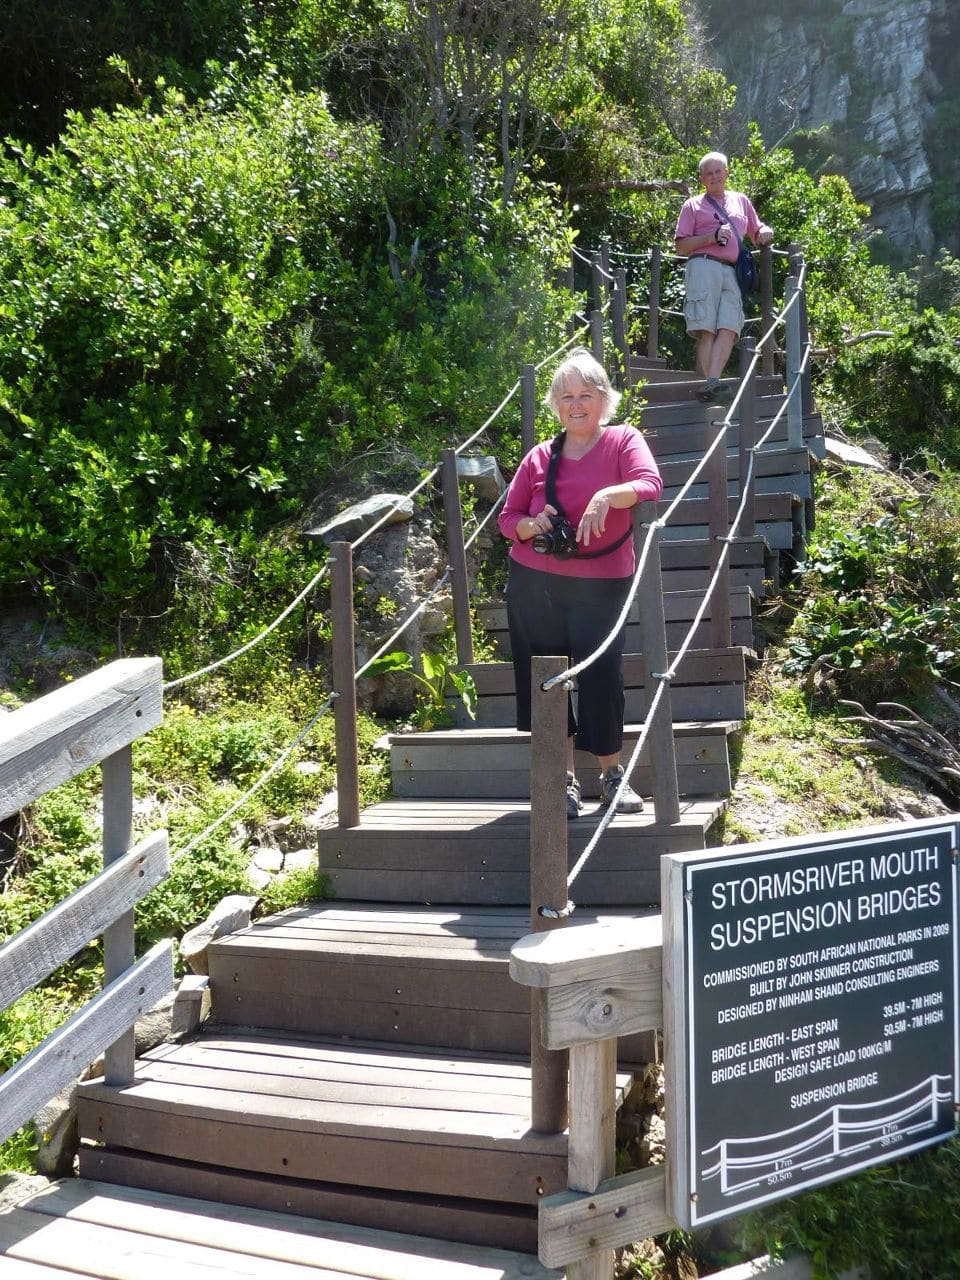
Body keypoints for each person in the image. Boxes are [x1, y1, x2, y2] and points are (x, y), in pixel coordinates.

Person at [498, 348, 663, 819]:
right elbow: (508, 520)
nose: (576, 404)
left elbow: (650, 484)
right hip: (535, 582)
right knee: (546, 682)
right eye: (566, 396)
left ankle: (612, 775)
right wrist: (533, 525)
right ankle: (562, 781)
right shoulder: (539, 457)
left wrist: (607, 496)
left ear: (604, 399)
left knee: (602, 674)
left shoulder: (623, 440)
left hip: (602, 582)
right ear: (555, 404)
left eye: (586, 395)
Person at [674, 151, 773, 404]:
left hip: (732, 270)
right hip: (703, 266)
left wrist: (764, 231)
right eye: (709, 173)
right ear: (702, 179)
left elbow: (756, 229)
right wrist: (712, 237)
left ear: (727, 173)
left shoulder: (741, 201)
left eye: (718, 171)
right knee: (706, 329)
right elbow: (681, 246)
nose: (714, 176)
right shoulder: (692, 205)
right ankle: (712, 384)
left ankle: (712, 383)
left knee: (729, 326)